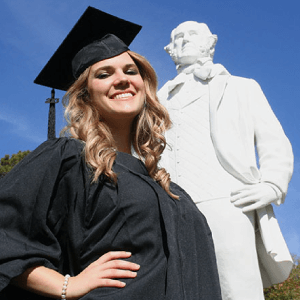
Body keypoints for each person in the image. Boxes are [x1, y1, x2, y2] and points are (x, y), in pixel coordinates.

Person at [0, 8, 222, 300]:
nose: (122, 79)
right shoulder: (68, 158)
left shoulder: (168, 187)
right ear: (84, 95)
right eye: (104, 74)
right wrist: (66, 286)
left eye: (131, 71)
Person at [158, 21, 294, 300]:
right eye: (177, 37)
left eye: (191, 35)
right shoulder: (156, 101)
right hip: (169, 206)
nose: (184, 41)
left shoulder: (241, 88)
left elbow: (273, 140)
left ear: (211, 42)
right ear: (169, 50)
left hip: (228, 200)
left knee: (237, 287)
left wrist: (272, 183)